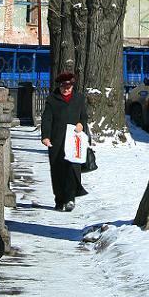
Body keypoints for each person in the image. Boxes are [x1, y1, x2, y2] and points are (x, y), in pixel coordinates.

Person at [41, 71, 88, 211]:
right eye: (64, 87)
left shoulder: (79, 98)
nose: (66, 90)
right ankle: (59, 199)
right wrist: (45, 136)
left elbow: (84, 116)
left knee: (73, 169)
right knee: (57, 170)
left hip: (74, 140)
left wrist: (81, 124)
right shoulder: (52, 99)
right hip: (56, 140)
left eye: (69, 87)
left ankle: (70, 199)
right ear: (60, 86)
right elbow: (47, 119)